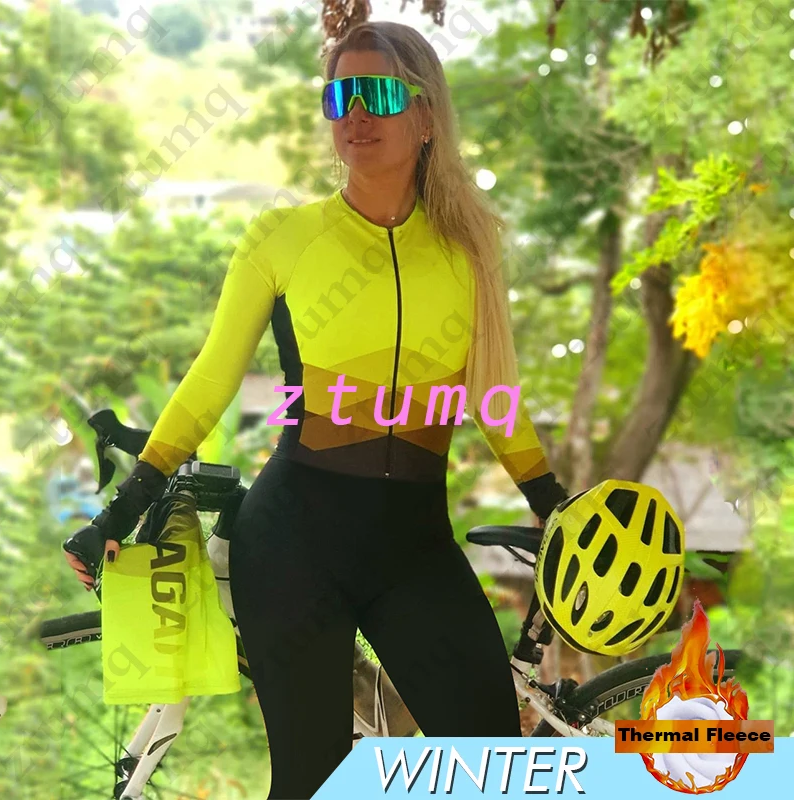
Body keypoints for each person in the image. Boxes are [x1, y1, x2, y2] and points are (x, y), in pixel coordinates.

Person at [64, 21, 568, 799]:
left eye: (377, 94)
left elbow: (494, 397)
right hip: (295, 539)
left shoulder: (467, 249)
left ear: (426, 116)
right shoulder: (285, 238)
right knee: (314, 782)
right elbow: (211, 377)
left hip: (415, 547)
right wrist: (124, 505)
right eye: (339, 96)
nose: (355, 114)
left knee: (494, 766)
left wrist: (554, 503)